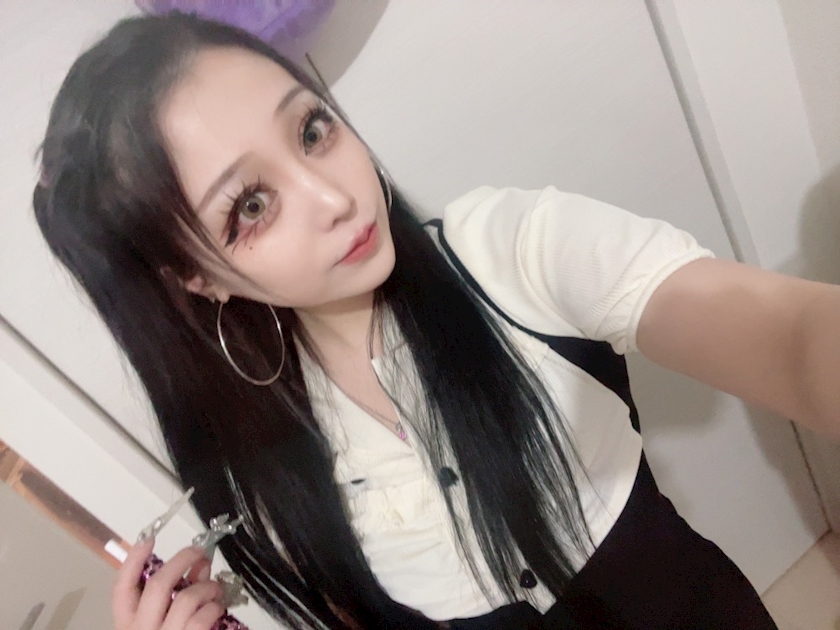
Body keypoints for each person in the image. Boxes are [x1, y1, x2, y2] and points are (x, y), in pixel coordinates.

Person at [31, 12, 840, 630]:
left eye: (311, 129)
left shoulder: (504, 250)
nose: (335, 195)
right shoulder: (261, 463)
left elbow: (787, 337)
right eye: (250, 206)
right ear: (197, 278)